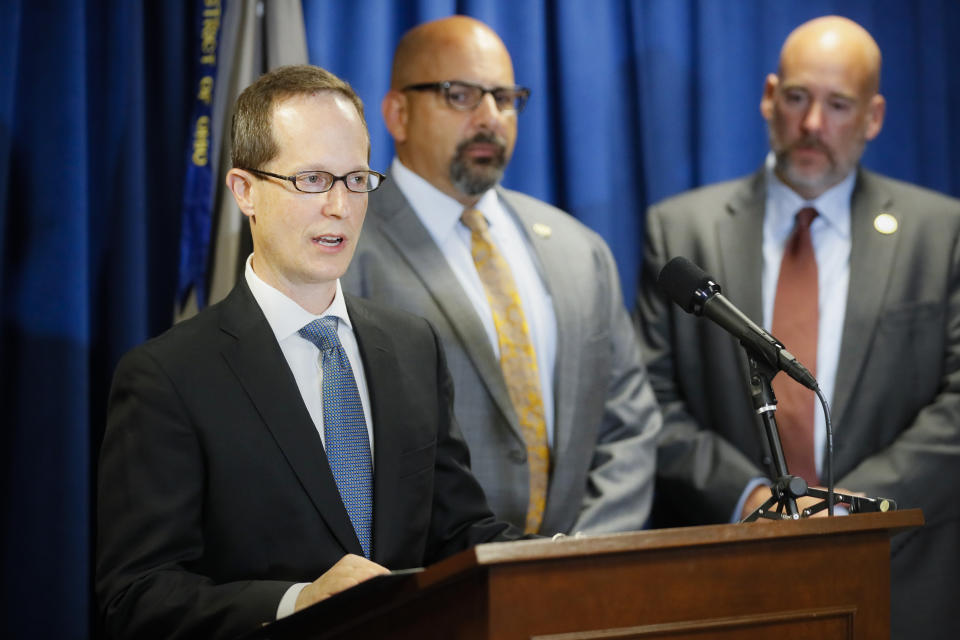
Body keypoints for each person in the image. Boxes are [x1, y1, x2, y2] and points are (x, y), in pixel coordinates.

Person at [95, 65, 521, 640]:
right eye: (314, 180)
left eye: (355, 179)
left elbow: (457, 532)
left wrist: (566, 561)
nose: (340, 207)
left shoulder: (413, 346)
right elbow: (137, 596)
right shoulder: (167, 377)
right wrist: (299, 602)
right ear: (245, 191)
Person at [636, 15, 960, 639]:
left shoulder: (940, 235)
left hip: (903, 583)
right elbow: (651, 401)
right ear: (767, 97)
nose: (813, 125)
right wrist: (758, 498)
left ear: (874, 117)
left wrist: (845, 508)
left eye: (839, 105)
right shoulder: (681, 230)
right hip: (729, 576)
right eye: (796, 98)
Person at [342, 15, 660, 536]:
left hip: (581, 587)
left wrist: (583, 560)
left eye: (505, 98)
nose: (490, 117)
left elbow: (629, 424)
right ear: (397, 113)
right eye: (460, 95)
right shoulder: (347, 250)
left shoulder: (580, 251)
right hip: (429, 595)